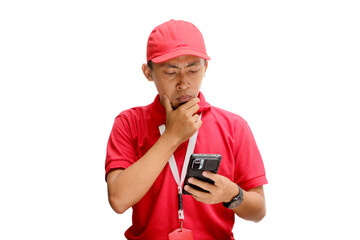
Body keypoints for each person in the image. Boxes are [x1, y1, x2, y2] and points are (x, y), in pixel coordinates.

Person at [105, 19, 268, 240]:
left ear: (206, 68)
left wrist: (232, 194)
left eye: (192, 70)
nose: (184, 83)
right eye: (171, 73)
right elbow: (119, 200)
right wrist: (172, 135)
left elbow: (258, 211)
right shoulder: (128, 122)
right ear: (148, 72)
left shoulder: (234, 127)